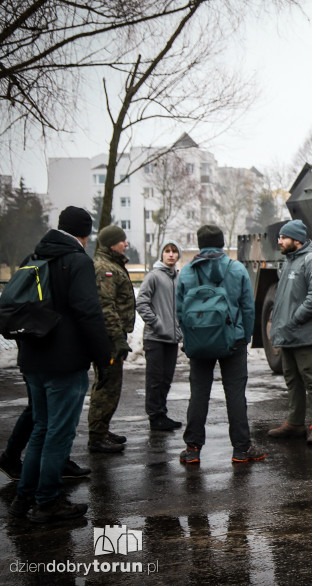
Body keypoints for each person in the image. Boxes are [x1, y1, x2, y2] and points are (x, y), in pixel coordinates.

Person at [9, 206, 110, 523]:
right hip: (65, 364)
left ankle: (24, 497)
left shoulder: (34, 258)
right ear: (86, 233)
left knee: (41, 429)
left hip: (33, 361)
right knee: (58, 435)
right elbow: (88, 313)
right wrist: (102, 358)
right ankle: (48, 501)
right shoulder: (77, 261)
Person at [177, 224, 264, 466]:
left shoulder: (186, 273)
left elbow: (180, 311)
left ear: (199, 243)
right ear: (223, 242)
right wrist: (244, 336)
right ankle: (241, 448)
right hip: (232, 339)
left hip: (199, 341)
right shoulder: (236, 269)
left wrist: (189, 337)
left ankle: (192, 449)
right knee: (235, 394)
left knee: (199, 394)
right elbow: (248, 308)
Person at [268, 220, 312, 444]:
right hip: (289, 333)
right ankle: (295, 423)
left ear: (297, 240)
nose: (279, 241)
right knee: (292, 380)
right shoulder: (288, 262)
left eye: (283, 237)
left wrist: (294, 320)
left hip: (304, 333)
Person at [89, 224, 135, 453]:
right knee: (106, 386)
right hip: (108, 338)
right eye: (122, 240)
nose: (126, 243)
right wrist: (117, 338)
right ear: (111, 244)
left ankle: (102, 429)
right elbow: (106, 307)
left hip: (112, 336)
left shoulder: (112, 265)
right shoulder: (104, 268)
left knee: (111, 385)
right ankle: (96, 437)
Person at [136, 240, 183, 431]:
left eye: (174, 251)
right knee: (155, 379)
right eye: (167, 251)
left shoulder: (178, 278)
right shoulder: (153, 276)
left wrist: (179, 328)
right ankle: (154, 416)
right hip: (155, 338)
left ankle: (162, 413)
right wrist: (157, 323)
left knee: (166, 378)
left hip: (172, 339)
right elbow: (141, 303)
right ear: (161, 255)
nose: (171, 254)